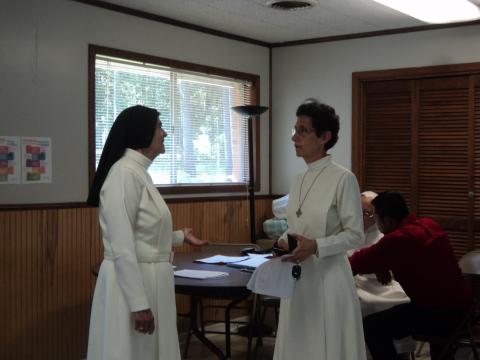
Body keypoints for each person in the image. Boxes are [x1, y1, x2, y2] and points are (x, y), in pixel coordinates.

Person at [86, 105, 207, 360]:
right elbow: (122, 245)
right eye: (159, 127)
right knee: (131, 352)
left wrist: (179, 236)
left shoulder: (138, 172)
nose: (164, 133)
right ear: (142, 133)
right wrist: (139, 304)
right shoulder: (124, 175)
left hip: (148, 278)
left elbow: (143, 229)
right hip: (131, 286)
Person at [274, 99, 367, 360]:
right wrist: (283, 241)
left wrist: (316, 246)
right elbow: (296, 226)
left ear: (324, 137)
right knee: (300, 345)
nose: (295, 137)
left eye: (303, 131)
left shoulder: (343, 178)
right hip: (298, 277)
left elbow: (356, 234)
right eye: (294, 130)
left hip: (329, 277)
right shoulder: (298, 178)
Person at [349, 191, 472, 360]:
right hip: (464, 311)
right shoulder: (428, 224)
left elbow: (355, 263)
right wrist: (380, 264)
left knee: (372, 326)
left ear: (387, 220)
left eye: (375, 217)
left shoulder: (398, 239)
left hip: (438, 314)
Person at [349, 191, 413, 358]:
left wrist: (379, 265)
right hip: (358, 286)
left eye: (366, 213)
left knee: (400, 301)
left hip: (384, 287)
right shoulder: (348, 232)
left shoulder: (386, 233)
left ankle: (401, 353)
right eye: (357, 211)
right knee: (359, 306)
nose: (360, 216)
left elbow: (392, 266)